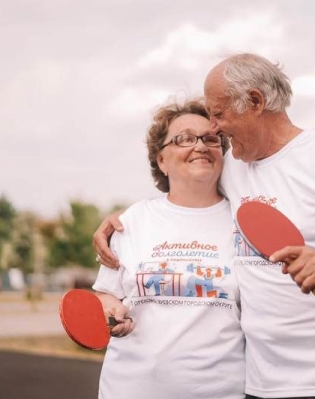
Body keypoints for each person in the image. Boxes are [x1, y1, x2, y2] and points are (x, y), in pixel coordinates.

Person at [95, 54, 315, 398]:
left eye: (217, 114)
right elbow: (184, 192)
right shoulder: (234, 169)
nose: (212, 130)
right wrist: (118, 222)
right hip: (259, 383)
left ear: (255, 102)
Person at [92, 99, 245, 398]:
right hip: (128, 389)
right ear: (161, 160)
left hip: (221, 391)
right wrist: (110, 309)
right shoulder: (131, 220)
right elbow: (106, 293)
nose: (200, 146)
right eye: (185, 138)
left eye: (211, 138)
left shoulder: (243, 223)